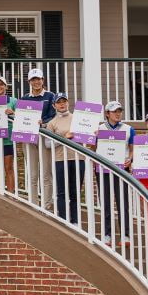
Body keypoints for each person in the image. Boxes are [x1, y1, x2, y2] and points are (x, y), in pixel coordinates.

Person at [96, 101, 134, 245]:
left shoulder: (128, 129)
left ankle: (126, 235)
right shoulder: (99, 128)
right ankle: (107, 234)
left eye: (119, 111)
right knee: (105, 202)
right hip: (103, 169)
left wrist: (130, 159)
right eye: (114, 111)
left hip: (121, 169)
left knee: (122, 202)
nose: (118, 114)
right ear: (107, 114)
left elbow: (132, 148)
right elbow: (93, 148)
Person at [44, 93, 84, 225]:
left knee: (75, 192)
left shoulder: (78, 118)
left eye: (64, 101)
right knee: (61, 192)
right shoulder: (52, 123)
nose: (62, 104)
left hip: (78, 158)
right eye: (59, 102)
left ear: (68, 103)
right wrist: (63, 139)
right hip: (61, 160)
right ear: (54, 105)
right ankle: (63, 220)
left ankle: (75, 221)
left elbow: (86, 136)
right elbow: (47, 144)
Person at [20, 68, 56, 209]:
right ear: (29, 81)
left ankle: (47, 204)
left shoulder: (50, 96)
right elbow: (21, 117)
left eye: (38, 79)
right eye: (33, 80)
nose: (36, 82)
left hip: (43, 136)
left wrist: (44, 122)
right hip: (29, 137)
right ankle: (34, 204)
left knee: (46, 172)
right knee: (33, 173)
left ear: (43, 80)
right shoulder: (24, 98)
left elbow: (54, 115)